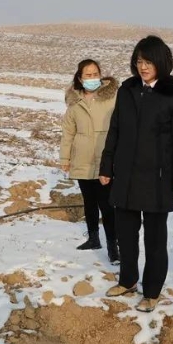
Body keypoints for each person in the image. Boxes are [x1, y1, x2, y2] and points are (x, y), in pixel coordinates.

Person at [99, 35, 173, 313]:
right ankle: (128, 281)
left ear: (161, 62)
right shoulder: (128, 89)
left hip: (157, 179)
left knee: (154, 240)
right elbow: (115, 129)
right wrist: (106, 166)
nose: (143, 67)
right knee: (125, 235)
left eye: (148, 61)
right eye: (139, 61)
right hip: (126, 175)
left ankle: (152, 291)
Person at [60, 59, 119, 262]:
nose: (92, 78)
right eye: (88, 75)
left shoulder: (112, 99)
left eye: (95, 74)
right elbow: (68, 133)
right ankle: (93, 238)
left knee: (107, 205)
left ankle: (113, 246)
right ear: (80, 78)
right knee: (89, 202)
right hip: (82, 159)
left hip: (105, 160)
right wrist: (65, 157)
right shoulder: (75, 103)